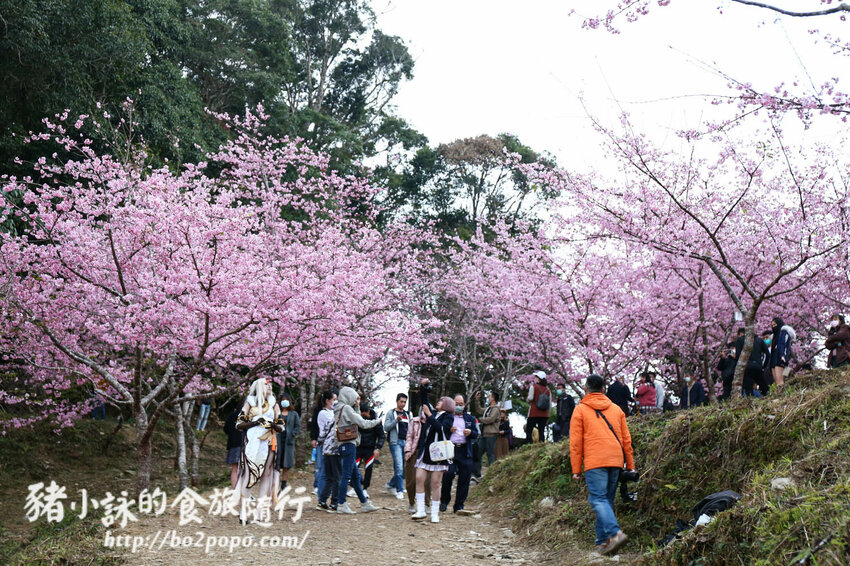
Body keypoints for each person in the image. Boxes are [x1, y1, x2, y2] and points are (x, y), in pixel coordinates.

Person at [570, 374, 634, 556]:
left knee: (597, 499)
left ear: (585, 388)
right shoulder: (616, 409)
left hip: (595, 461)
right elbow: (626, 440)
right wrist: (630, 465)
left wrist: (576, 469)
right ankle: (602, 543)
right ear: (604, 389)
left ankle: (615, 534)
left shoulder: (580, 409)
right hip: (615, 460)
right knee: (606, 501)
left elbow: (575, 443)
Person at [229, 378, 283, 523]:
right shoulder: (250, 402)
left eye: (271, 385)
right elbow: (239, 424)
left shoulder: (273, 403)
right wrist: (254, 422)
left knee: (267, 475)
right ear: (259, 386)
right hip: (252, 442)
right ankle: (243, 513)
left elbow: (281, 423)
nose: (270, 387)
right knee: (247, 476)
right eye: (266, 384)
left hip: (269, 440)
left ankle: (259, 513)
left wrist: (274, 425)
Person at [411, 378, 454, 523]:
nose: (438, 402)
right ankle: (421, 510)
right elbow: (424, 402)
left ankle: (434, 513)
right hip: (426, 451)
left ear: (447, 405)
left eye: (441, 401)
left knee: (435, 482)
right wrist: (423, 387)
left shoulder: (448, 417)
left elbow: (441, 429)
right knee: (419, 478)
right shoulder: (433, 412)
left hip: (439, 454)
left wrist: (429, 415)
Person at [335, 387, 381, 514]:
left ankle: (364, 503)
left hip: (342, 444)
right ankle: (341, 503)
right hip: (349, 444)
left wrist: (357, 406)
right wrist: (377, 421)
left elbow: (353, 417)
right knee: (347, 476)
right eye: (354, 397)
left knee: (355, 476)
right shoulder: (347, 409)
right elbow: (362, 423)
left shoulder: (339, 407)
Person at [439, 394, 478, 515]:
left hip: (465, 450)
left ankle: (459, 505)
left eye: (461, 404)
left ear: (464, 405)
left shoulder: (470, 418)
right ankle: (444, 501)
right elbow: (439, 430)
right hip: (450, 450)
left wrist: (470, 432)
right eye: (456, 404)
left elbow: (476, 433)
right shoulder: (447, 417)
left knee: (464, 479)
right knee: (448, 474)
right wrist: (449, 430)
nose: (459, 406)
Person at [355, 402, 385, 497]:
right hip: (358, 447)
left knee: (369, 468)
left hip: (370, 448)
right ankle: (355, 485)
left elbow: (381, 436)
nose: (362, 416)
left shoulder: (376, 421)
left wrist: (378, 448)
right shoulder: (357, 418)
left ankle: (365, 488)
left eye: (363, 414)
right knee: (354, 467)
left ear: (367, 412)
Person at [383, 392, 410, 500]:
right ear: (397, 401)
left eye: (404, 402)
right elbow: (386, 427)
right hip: (395, 442)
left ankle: (391, 484)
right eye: (401, 401)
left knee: (404, 467)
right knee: (398, 466)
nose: (403, 404)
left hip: (406, 442)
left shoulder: (408, 414)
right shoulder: (391, 413)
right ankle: (399, 489)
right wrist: (396, 421)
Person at [316, 391, 340, 512]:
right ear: (327, 400)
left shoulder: (333, 412)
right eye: (334, 399)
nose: (336, 402)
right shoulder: (324, 413)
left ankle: (323, 500)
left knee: (331, 476)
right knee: (333, 476)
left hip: (329, 447)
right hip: (330, 447)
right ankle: (334, 502)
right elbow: (324, 430)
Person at [404, 409, 431, 513]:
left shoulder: (433, 422)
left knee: (427, 481)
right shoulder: (414, 421)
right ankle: (411, 502)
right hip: (414, 452)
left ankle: (426, 503)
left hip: (428, 454)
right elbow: (409, 437)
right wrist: (407, 450)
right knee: (411, 480)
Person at [277, 394, 300, 490]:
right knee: (277, 462)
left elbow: (297, 426)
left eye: (286, 400)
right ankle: (275, 482)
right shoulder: (277, 413)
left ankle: (284, 483)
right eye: (283, 400)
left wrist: (292, 434)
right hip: (278, 440)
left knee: (286, 464)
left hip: (288, 441)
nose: (284, 401)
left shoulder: (294, 414)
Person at [475, 390, 501, 464]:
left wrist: (480, 419)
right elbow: (479, 410)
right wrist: (477, 400)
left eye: (489, 396)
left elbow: (490, 419)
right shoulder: (488, 408)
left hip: (491, 434)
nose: (488, 397)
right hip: (484, 434)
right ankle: (476, 473)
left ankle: (491, 472)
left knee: (490, 454)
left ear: (493, 398)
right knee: (478, 453)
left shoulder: (495, 409)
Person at [770, 317, 796, 387]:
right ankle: (778, 395)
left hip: (781, 358)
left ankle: (782, 396)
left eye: (775, 325)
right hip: (774, 359)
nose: (773, 327)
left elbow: (782, 344)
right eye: (772, 326)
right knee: (777, 382)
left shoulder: (784, 332)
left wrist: (782, 355)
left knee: (780, 381)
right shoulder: (774, 337)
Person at [526, 370, 551, 442]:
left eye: (536, 377)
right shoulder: (548, 389)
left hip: (534, 412)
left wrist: (527, 400)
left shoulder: (533, 386)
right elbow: (549, 403)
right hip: (544, 414)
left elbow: (530, 398)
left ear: (539, 378)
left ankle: (529, 445)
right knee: (541, 431)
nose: (535, 378)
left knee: (529, 430)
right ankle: (541, 445)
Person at [223, 405, 243, 489]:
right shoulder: (249, 416)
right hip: (244, 445)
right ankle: (242, 489)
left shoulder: (232, 415)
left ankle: (235, 489)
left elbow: (226, 429)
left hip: (233, 444)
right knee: (244, 469)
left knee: (235, 468)